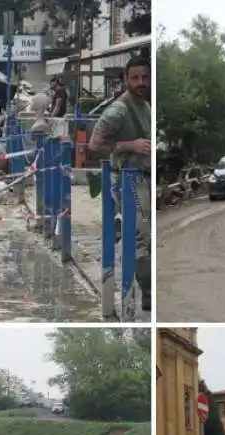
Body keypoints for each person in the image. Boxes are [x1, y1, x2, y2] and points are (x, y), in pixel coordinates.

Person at [87, 56, 152, 311]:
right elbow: (93, 145)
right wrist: (128, 145)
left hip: (143, 178)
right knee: (141, 238)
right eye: (135, 78)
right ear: (125, 80)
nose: (141, 82)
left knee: (146, 234)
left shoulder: (144, 105)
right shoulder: (118, 110)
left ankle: (118, 225)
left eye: (145, 77)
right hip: (128, 181)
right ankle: (146, 292)